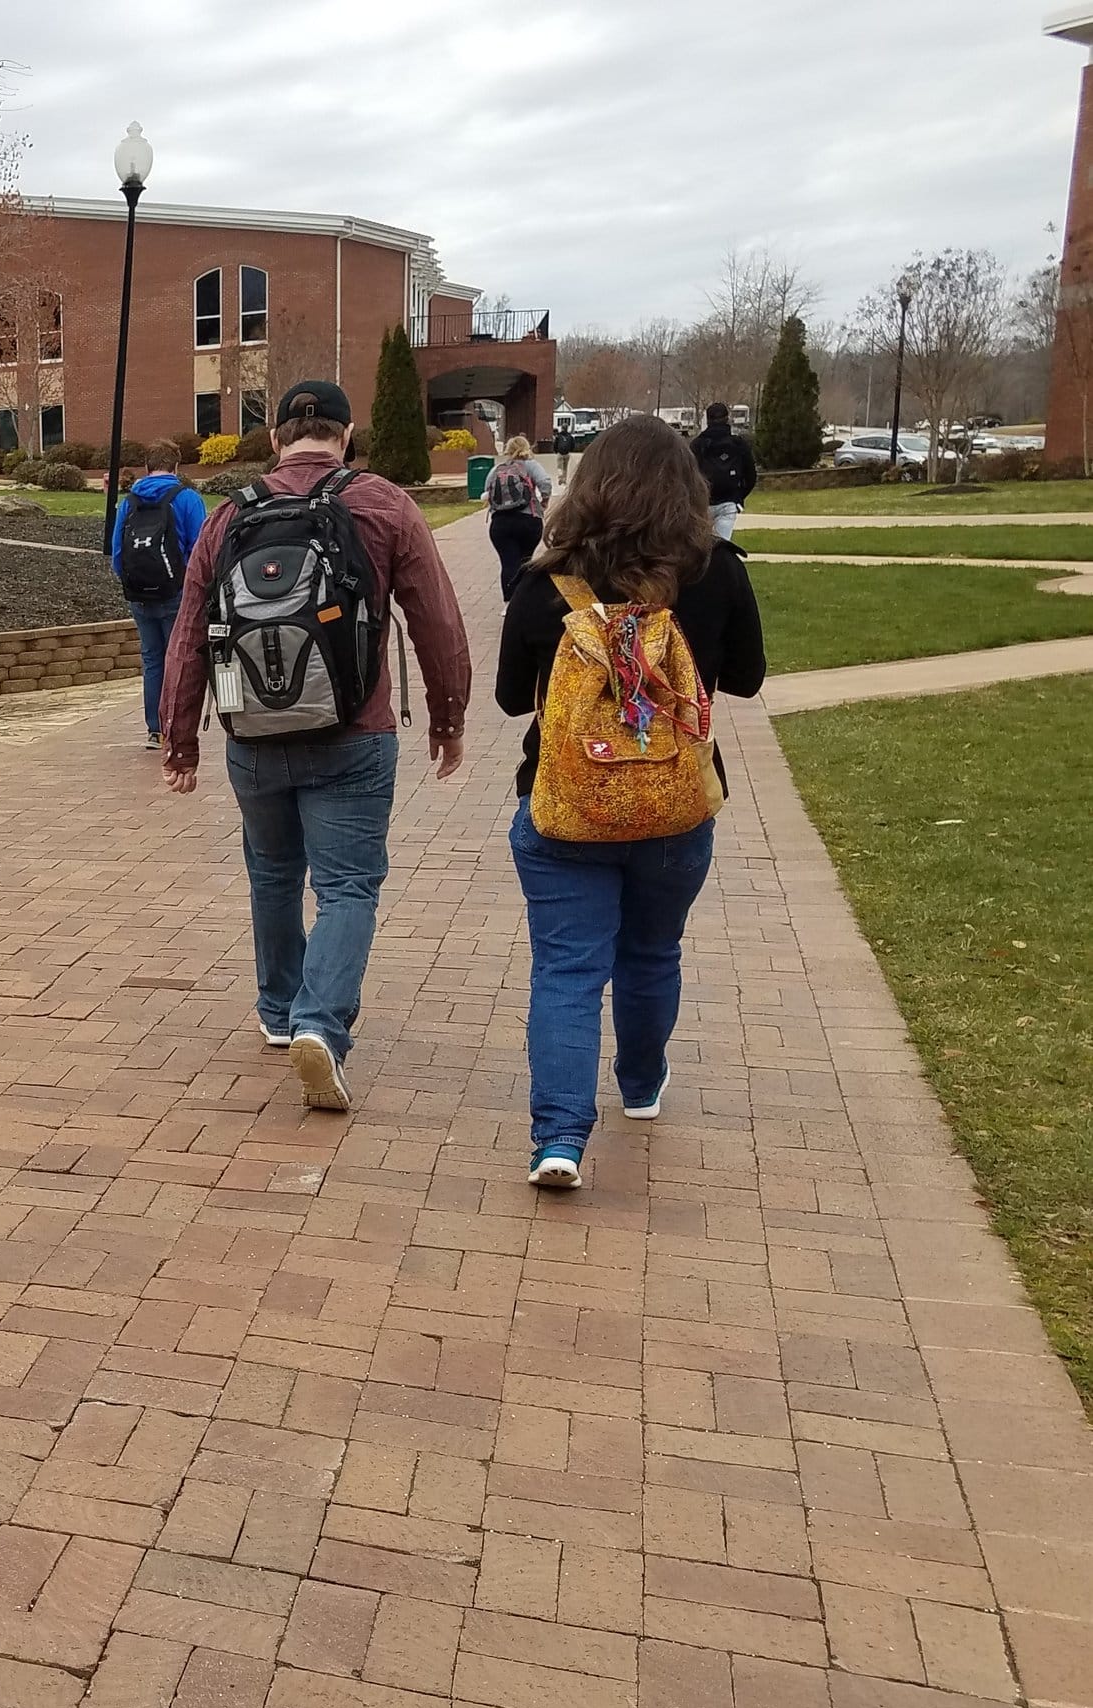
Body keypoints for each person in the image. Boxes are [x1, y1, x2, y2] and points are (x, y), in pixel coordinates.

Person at [159, 381, 474, 1112]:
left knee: (272, 873)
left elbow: (188, 633)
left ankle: (278, 1010)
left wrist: (180, 740)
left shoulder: (229, 511)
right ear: (348, 432)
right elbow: (438, 624)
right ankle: (320, 1023)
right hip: (354, 734)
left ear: (275, 439)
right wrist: (447, 719)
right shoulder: (385, 504)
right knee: (347, 886)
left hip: (254, 736)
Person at [496, 416, 765, 1189]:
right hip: (676, 807)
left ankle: (557, 1139)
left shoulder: (548, 580)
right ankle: (641, 1086)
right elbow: (745, 678)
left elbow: (514, 699)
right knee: (652, 951)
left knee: (567, 968)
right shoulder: (716, 573)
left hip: (562, 808)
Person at [110, 442, 207, 748]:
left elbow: (117, 551)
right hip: (176, 593)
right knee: (179, 658)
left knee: (152, 659)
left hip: (139, 593)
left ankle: (155, 729)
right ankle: (176, 726)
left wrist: (130, 581)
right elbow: (200, 551)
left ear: (148, 467)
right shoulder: (188, 498)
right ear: (176, 467)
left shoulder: (129, 502)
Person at [483, 434, 553, 599]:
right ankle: (523, 600)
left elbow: (486, 491)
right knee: (525, 561)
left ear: (508, 450)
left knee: (508, 563)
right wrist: (544, 500)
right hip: (529, 520)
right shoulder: (531, 465)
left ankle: (509, 602)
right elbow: (545, 483)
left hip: (501, 523)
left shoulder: (497, 469)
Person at [691, 403, 758, 540]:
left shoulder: (697, 445)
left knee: (702, 547)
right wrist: (738, 498)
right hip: (728, 502)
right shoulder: (738, 444)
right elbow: (751, 475)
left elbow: (687, 475)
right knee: (722, 546)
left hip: (704, 503)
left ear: (707, 420)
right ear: (727, 419)